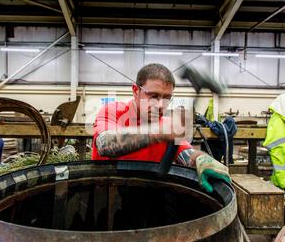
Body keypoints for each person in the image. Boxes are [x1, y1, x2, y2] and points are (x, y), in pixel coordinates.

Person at [91, 63, 231, 193]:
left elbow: (186, 154)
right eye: (153, 96)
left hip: (148, 197)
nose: (160, 105)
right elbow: (105, 144)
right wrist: (158, 132)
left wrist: (202, 160)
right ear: (135, 90)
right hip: (107, 196)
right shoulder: (113, 111)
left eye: (167, 97)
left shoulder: (167, 125)